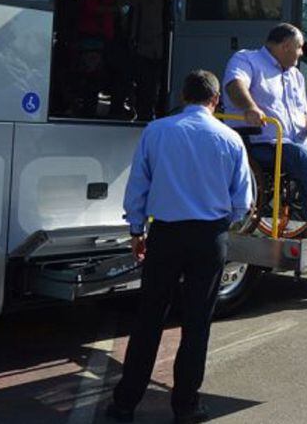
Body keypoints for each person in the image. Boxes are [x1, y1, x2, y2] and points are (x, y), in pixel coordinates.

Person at [106, 70, 254, 423]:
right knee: (197, 322)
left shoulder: (157, 131)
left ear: (184, 97)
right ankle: (185, 405)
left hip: (166, 235)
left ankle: (125, 402)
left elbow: (138, 184)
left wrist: (136, 229)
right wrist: (222, 222)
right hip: (209, 237)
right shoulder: (231, 138)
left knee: (149, 318)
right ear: (216, 100)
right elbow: (243, 200)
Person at [223, 23, 307, 237]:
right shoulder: (247, 59)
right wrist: (250, 107)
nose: (302, 53)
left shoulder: (296, 75)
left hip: (295, 144)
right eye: (300, 47)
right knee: (299, 154)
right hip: (261, 144)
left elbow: (302, 112)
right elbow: (234, 85)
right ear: (285, 46)